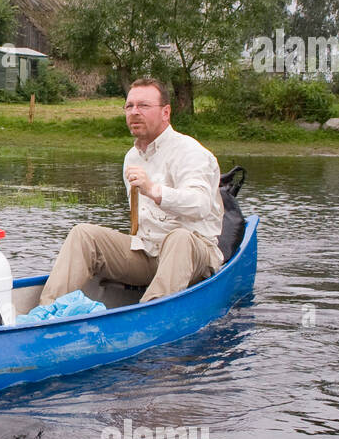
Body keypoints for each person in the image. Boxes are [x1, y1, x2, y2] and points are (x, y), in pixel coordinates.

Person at [39, 77, 224, 305]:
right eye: (130, 106)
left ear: (166, 112)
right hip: (147, 253)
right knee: (83, 233)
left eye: (144, 106)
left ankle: (148, 314)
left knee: (179, 238)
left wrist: (154, 190)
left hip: (192, 254)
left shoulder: (191, 152)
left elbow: (201, 204)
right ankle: (45, 313)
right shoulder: (132, 157)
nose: (134, 112)